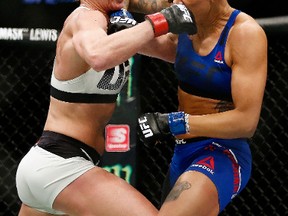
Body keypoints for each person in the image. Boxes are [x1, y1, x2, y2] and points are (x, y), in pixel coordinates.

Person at [15, 0, 197, 215]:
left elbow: (174, 53)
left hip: (51, 167)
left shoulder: (113, 25)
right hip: (60, 166)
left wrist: (176, 7)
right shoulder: (85, 18)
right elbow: (98, 56)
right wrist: (160, 20)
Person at [134, 0, 268, 215]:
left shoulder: (244, 33)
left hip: (221, 152)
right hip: (182, 152)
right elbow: (143, 4)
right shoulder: (185, 17)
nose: (174, 3)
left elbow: (246, 122)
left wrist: (170, 123)